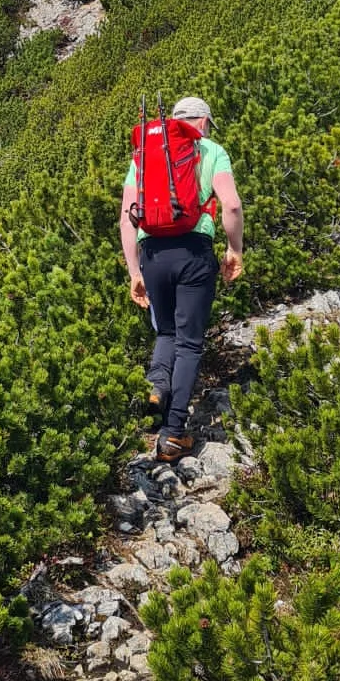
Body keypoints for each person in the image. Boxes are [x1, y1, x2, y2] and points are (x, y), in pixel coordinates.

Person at [119, 95, 244, 461]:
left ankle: (157, 386)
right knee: (189, 343)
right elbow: (232, 205)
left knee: (167, 332)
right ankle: (174, 434)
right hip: (193, 251)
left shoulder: (144, 154)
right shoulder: (211, 150)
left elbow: (127, 217)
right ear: (203, 122)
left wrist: (134, 271)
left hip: (153, 254)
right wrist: (234, 249)